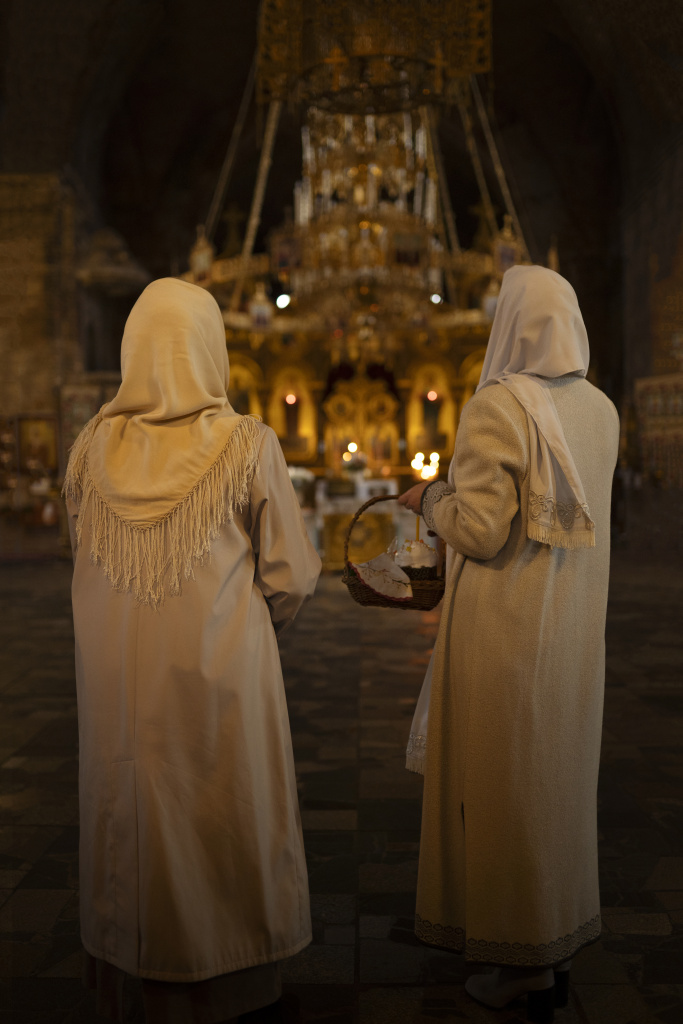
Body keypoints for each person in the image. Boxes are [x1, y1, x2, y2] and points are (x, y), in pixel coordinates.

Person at [63, 278, 321, 1024]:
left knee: (130, 812)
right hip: (222, 683)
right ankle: (233, 985)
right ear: (211, 348)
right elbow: (293, 577)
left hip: (117, 685)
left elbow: (75, 550)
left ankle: (134, 970)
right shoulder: (247, 444)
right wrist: (240, 631)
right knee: (223, 813)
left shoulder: (87, 449)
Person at [399, 265, 619, 1024]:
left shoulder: (498, 405)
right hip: (569, 633)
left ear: (510, 324)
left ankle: (515, 964)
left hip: (504, 632)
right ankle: (550, 942)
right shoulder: (600, 410)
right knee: (553, 789)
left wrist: (425, 498)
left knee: (500, 793)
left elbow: (481, 532)